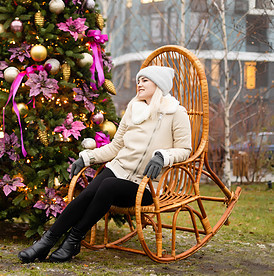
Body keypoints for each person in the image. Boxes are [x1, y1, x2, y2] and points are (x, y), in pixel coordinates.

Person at [18, 66, 192, 263]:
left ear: (159, 84)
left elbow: (185, 150)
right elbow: (116, 146)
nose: (139, 84)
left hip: (146, 185)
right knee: (90, 191)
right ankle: (46, 242)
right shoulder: (134, 109)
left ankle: (73, 239)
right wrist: (88, 157)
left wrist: (163, 156)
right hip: (119, 169)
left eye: (145, 80)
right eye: (138, 80)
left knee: (107, 185)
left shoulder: (175, 112)